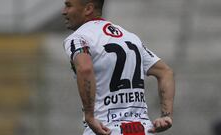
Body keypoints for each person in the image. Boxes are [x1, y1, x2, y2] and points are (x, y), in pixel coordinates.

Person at [62, 0, 175, 134]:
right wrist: (166, 115)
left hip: (106, 128)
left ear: (88, 9)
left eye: (68, 5)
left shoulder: (79, 37)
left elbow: (85, 69)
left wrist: (90, 116)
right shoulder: (130, 37)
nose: (63, 11)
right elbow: (165, 72)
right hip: (142, 129)